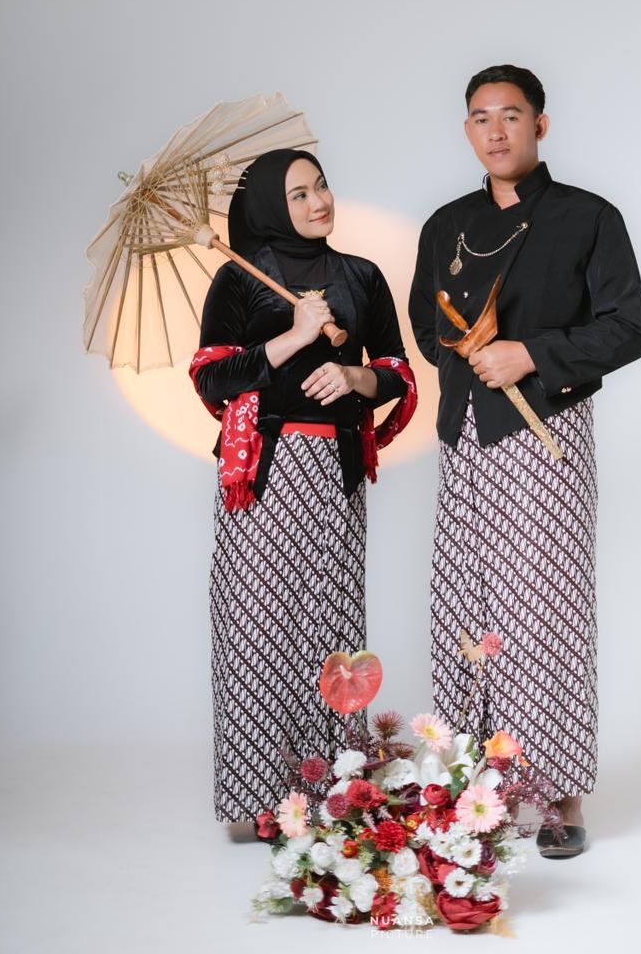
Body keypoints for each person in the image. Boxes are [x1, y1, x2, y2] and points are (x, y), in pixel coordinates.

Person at [408, 64, 641, 858]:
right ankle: (473, 786)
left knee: (544, 610)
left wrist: (531, 354)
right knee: (467, 609)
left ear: (540, 125)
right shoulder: (446, 224)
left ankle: (557, 795)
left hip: (544, 431)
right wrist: (465, 349)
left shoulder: (588, 217)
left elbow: (628, 328)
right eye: (481, 117)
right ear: (467, 131)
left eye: (511, 115)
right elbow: (426, 325)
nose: (496, 130)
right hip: (465, 438)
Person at [190, 148, 415, 825]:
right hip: (263, 476)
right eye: (298, 195)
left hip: (335, 474)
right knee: (258, 625)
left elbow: (397, 373)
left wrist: (354, 377)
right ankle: (261, 798)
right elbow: (211, 378)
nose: (319, 202)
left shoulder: (361, 276)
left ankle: (332, 793)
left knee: (331, 624)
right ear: (268, 207)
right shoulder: (238, 278)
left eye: (321, 186)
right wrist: (292, 338)